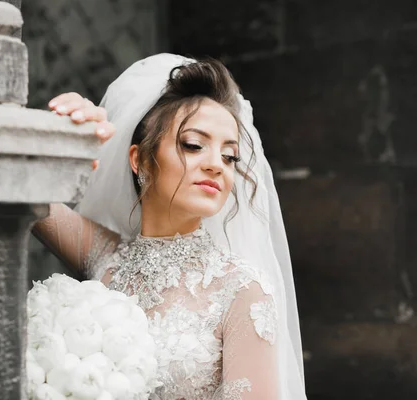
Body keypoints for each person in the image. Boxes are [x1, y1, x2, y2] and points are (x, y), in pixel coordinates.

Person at [32, 54, 306, 399]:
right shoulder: (103, 256)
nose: (216, 166)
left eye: (229, 156)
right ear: (140, 159)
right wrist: (53, 131)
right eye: (194, 145)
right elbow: (18, 190)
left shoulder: (242, 291)